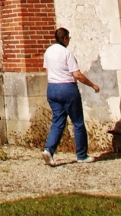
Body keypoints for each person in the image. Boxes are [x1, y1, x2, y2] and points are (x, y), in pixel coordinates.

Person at [42, 26, 100, 165]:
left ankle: (48, 150)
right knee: (78, 122)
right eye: (69, 38)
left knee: (58, 121)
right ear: (65, 38)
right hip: (67, 88)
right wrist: (92, 85)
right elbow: (77, 74)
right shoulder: (67, 53)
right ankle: (81, 155)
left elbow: (47, 69)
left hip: (52, 88)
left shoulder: (48, 51)